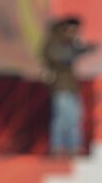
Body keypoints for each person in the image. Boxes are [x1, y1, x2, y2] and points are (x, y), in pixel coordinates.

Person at [39, 16, 96, 156]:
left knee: (75, 117)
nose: (76, 33)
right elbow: (59, 57)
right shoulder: (55, 43)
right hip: (60, 86)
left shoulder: (68, 43)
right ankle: (58, 147)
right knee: (63, 118)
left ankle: (73, 146)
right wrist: (77, 50)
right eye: (74, 30)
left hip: (70, 86)